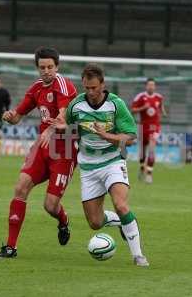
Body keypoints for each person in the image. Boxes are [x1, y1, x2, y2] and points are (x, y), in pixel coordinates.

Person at [48, 64, 149, 267]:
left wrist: (106, 136)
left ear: (103, 84)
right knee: (95, 222)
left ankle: (138, 256)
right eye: (87, 88)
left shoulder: (115, 105)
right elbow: (68, 128)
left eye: (94, 87)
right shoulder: (76, 106)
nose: (91, 92)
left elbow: (130, 138)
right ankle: (122, 222)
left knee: (121, 205)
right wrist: (63, 128)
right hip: (89, 167)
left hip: (113, 161)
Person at [0, 47, 77, 258]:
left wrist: (51, 129)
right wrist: (10, 115)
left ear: (57, 66)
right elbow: (18, 116)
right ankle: (11, 247)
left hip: (65, 148)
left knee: (50, 205)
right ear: (37, 68)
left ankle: (63, 220)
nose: (46, 71)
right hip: (42, 147)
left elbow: (62, 117)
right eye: (42, 67)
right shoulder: (36, 88)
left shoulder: (64, 85)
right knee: (20, 187)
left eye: (50, 67)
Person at [131, 78, 166, 184]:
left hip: (154, 127)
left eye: (153, 85)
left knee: (151, 148)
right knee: (142, 152)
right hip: (143, 127)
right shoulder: (140, 97)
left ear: (155, 86)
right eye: (149, 85)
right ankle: (142, 167)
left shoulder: (159, 97)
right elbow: (132, 110)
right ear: (146, 86)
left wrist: (163, 112)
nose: (151, 87)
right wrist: (143, 108)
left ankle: (149, 174)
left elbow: (161, 107)